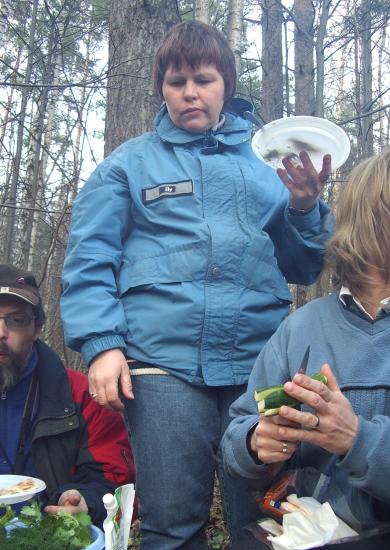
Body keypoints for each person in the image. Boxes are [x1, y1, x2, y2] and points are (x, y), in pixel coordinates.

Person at [60, 20, 334, 549]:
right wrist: (102, 345)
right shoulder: (128, 164)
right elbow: (90, 259)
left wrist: (303, 208)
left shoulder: (264, 168)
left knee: (266, 523)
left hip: (258, 367)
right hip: (162, 367)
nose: (189, 92)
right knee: (172, 524)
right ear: (162, 87)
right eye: (176, 80)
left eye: (203, 79)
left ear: (225, 86)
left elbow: (302, 267)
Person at [221, 147, 390, 534]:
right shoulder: (302, 327)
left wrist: (358, 439)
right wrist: (257, 443)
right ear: (376, 217)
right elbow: (237, 435)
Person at [0, 263, 135, 527]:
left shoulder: (83, 395)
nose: (1, 332)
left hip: (50, 538)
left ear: (37, 328)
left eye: (16, 320)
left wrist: (86, 501)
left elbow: (115, 481)